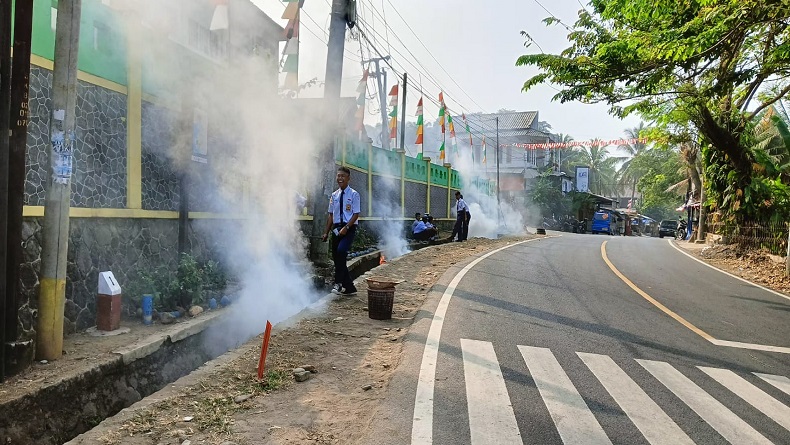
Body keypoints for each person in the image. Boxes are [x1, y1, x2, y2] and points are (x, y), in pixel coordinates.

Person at [322, 167, 361, 295]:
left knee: (341, 251)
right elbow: (331, 215)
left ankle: (338, 284)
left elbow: (356, 214)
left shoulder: (354, 194)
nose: (340, 178)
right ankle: (349, 287)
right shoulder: (334, 195)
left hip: (349, 229)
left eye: (343, 176)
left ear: (348, 178)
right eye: (338, 176)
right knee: (337, 258)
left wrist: (347, 228)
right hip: (336, 229)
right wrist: (326, 232)